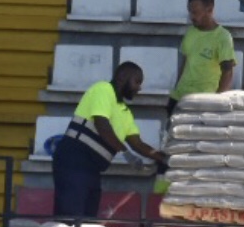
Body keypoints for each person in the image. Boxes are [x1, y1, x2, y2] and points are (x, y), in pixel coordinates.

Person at [52, 62, 167, 218]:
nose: (139, 88)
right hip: (74, 160)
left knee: (87, 219)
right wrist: (126, 153)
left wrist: (165, 159)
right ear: (122, 77)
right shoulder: (103, 89)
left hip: (92, 168)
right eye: (137, 81)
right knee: (70, 217)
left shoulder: (125, 112)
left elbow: (137, 144)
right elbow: (102, 124)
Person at [166, 0, 237, 117]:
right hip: (180, 97)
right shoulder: (190, 32)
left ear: (209, 10)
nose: (192, 17)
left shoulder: (223, 37)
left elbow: (228, 72)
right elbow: (185, 62)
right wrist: (177, 88)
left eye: (195, 12)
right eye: (190, 12)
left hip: (204, 100)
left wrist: (217, 101)